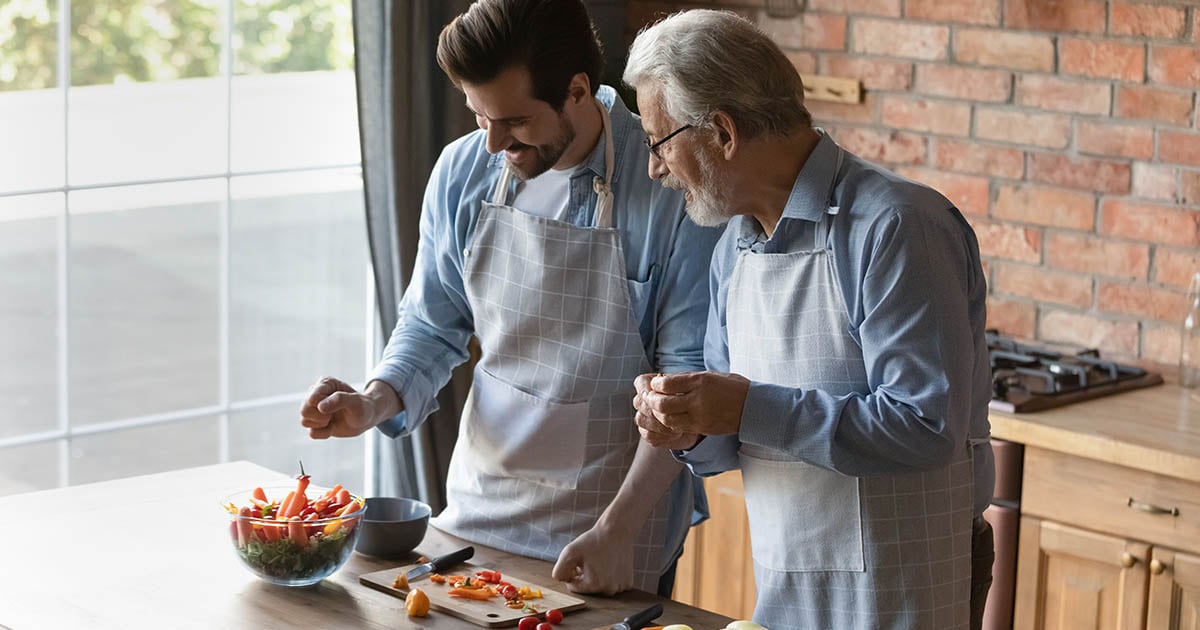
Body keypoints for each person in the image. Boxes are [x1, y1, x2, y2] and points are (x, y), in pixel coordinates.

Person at [299, 0, 721, 597]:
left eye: (516, 122)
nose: (494, 142)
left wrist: (618, 530)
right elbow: (432, 323)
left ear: (578, 89)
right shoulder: (461, 171)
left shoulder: (668, 190)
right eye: (479, 116)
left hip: (611, 521)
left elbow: (684, 386)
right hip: (480, 506)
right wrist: (372, 401)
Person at [626, 9, 994, 629]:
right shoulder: (732, 249)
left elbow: (926, 425)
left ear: (721, 133)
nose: (655, 168)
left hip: (908, 590)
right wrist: (686, 426)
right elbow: (729, 448)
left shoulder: (895, 226)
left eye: (660, 142)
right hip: (788, 585)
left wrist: (745, 407)